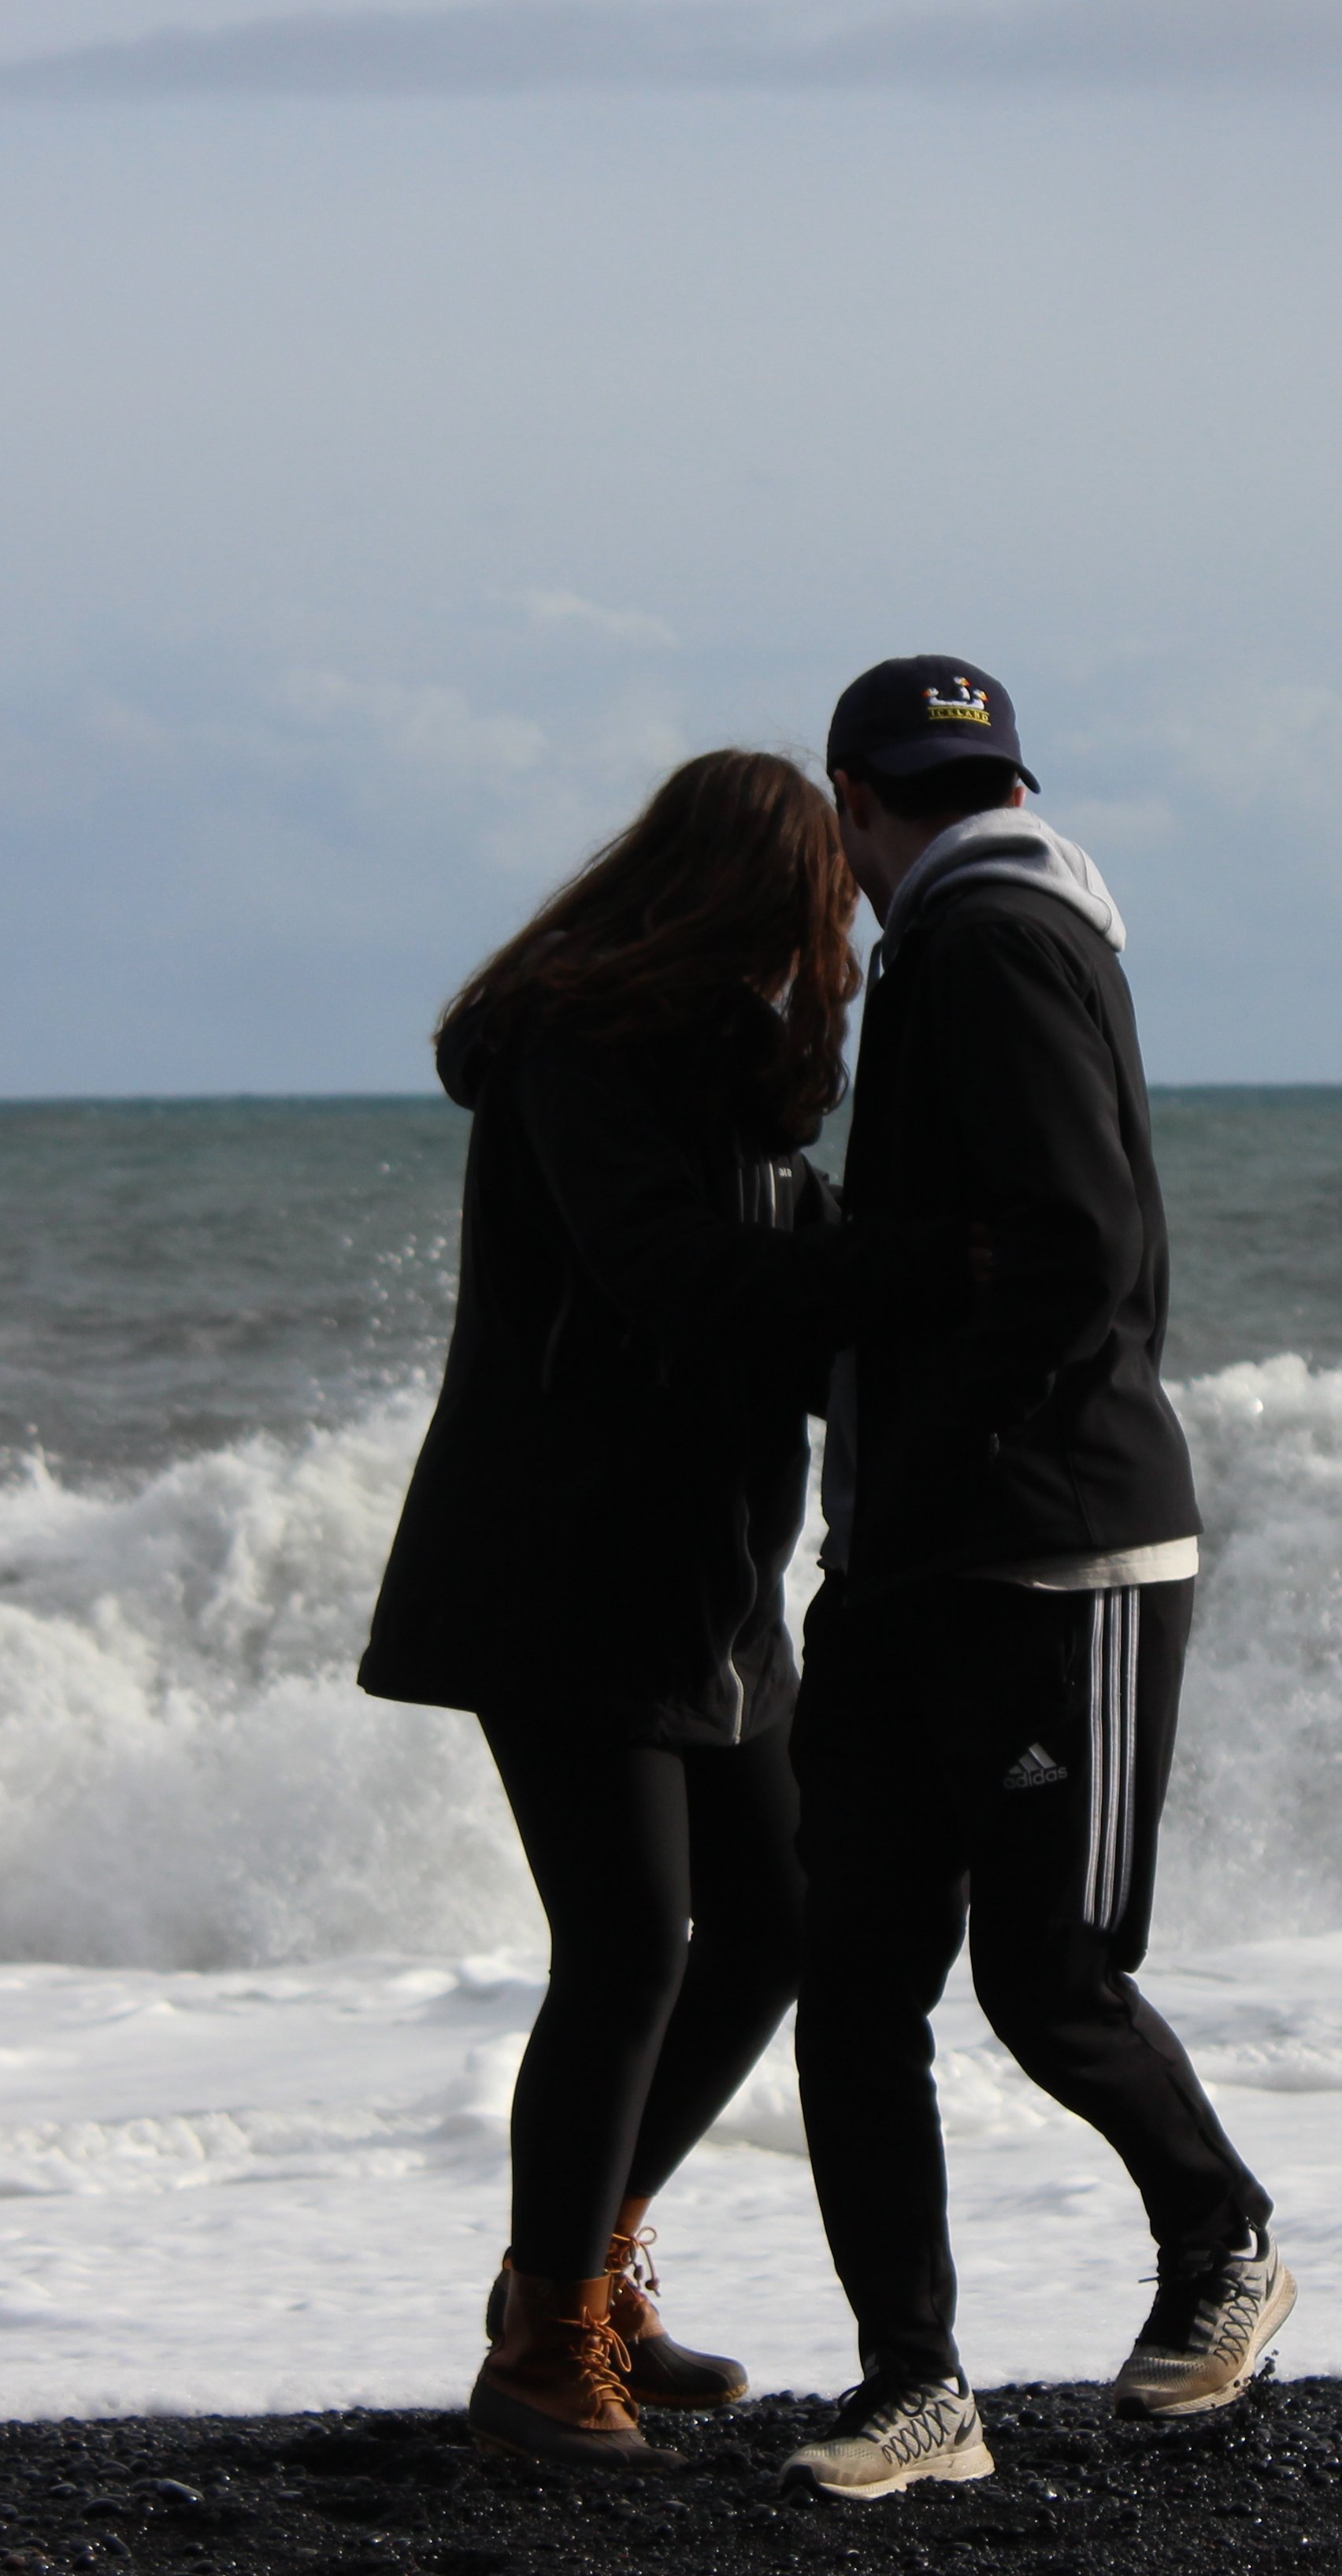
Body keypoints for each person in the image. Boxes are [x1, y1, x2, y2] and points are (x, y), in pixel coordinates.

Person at [358, 748, 970, 2471]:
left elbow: (798, 1255)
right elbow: (681, 1281)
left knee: (774, 1922)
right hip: (559, 1568)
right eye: (823, 895)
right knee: (626, 1945)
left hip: (704, 1585)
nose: (840, 924)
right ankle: (546, 2345)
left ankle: (585, 2261)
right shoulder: (586, 1046)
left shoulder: (727, 1072)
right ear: (750, 889)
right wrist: (916, 1275)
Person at [777, 659, 1292, 2504]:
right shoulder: (969, 934)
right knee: (854, 1981)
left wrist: (931, 1437)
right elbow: (989, 1243)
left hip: (1054, 1550)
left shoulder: (988, 941)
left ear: (851, 808)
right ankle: (916, 2388)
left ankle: (1224, 2237)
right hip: (928, 1551)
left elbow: (1082, 1248)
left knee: (1048, 1975)